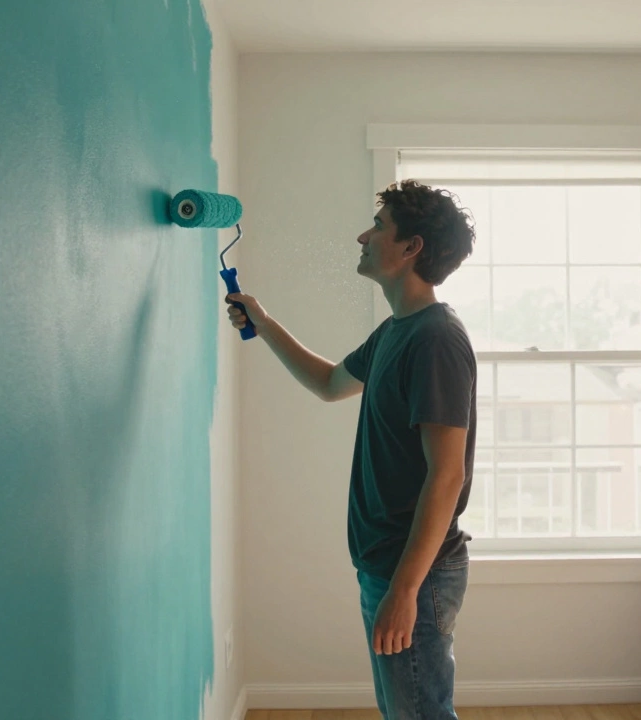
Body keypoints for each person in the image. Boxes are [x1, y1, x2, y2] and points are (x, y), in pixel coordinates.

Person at [225, 180, 478, 720]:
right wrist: (264, 324)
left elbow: (447, 476)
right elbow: (329, 382)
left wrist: (406, 591)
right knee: (404, 713)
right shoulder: (395, 331)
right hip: (386, 564)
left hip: (417, 573)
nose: (363, 235)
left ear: (411, 248)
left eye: (379, 226)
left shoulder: (436, 338)